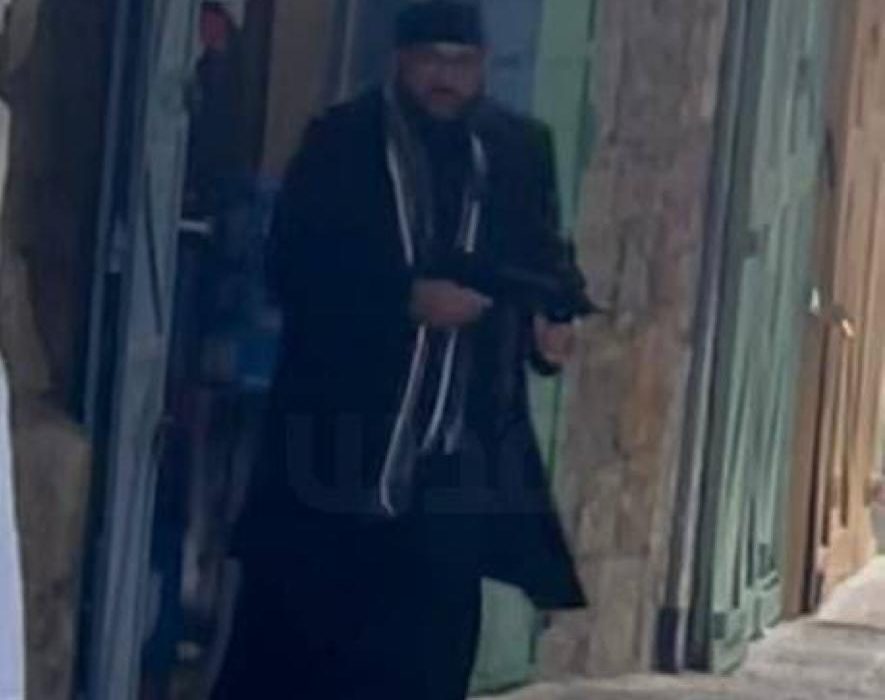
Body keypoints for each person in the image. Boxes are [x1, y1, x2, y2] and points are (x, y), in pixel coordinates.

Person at [215, 3, 586, 698]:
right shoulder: (342, 143)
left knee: (427, 657)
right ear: (399, 61)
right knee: (297, 650)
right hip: (336, 444)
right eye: (430, 60)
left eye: (460, 62)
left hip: (451, 460)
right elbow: (294, 267)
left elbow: (544, 263)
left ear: (483, 66)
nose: (445, 78)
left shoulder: (516, 152)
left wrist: (549, 328)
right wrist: (402, 300)